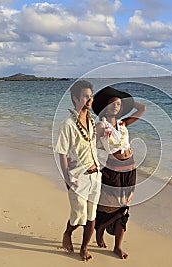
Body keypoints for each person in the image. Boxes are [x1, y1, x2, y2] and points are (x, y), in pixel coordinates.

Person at [92, 86, 146, 259]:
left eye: (118, 104)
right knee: (108, 206)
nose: (115, 106)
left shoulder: (123, 124)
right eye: (111, 103)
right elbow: (89, 145)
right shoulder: (101, 125)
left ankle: (117, 246)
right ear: (105, 108)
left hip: (129, 168)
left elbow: (142, 109)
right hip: (112, 169)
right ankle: (99, 229)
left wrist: (125, 101)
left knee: (124, 207)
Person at [55, 80, 101, 261]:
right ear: (75, 98)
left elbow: (92, 147)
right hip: (77, 177)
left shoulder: (92, 120)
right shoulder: (67, 124)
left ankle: (84, 247)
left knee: (92, 216)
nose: (89, 99)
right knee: (79, 215)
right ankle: (68, 232)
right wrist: (67, 179)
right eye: (85, 96)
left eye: (91, 96)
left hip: (95, 175)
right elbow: (62, 153)